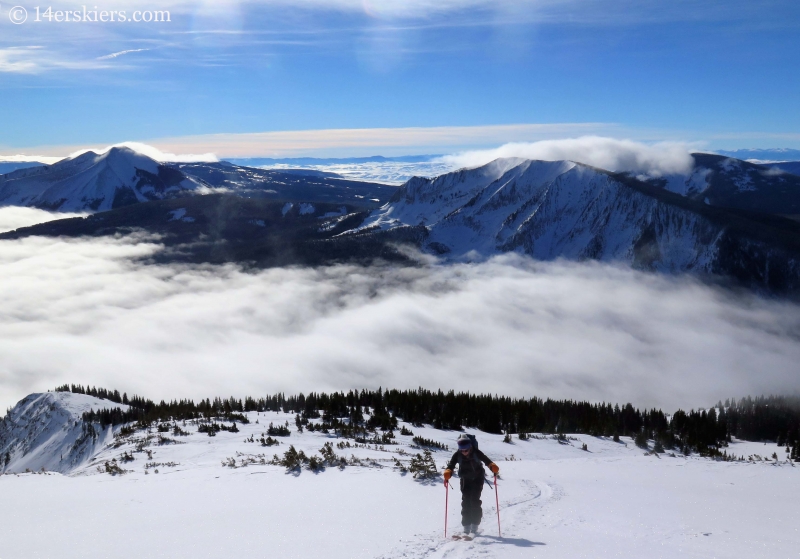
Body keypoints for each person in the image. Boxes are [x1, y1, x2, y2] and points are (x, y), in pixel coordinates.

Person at [443, 433, 499, 535]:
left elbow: (486, 460)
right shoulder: (458, 454)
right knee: (465, 502)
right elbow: (451, 464)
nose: (464, 451)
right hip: (465, 480)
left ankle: (474, 526)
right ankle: (466, 527)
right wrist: (448, 472)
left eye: (466, 449)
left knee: (474, 501)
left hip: (477, 479)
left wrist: (492, 466)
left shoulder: (476, 452)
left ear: (470, 446)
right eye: (461, 448)